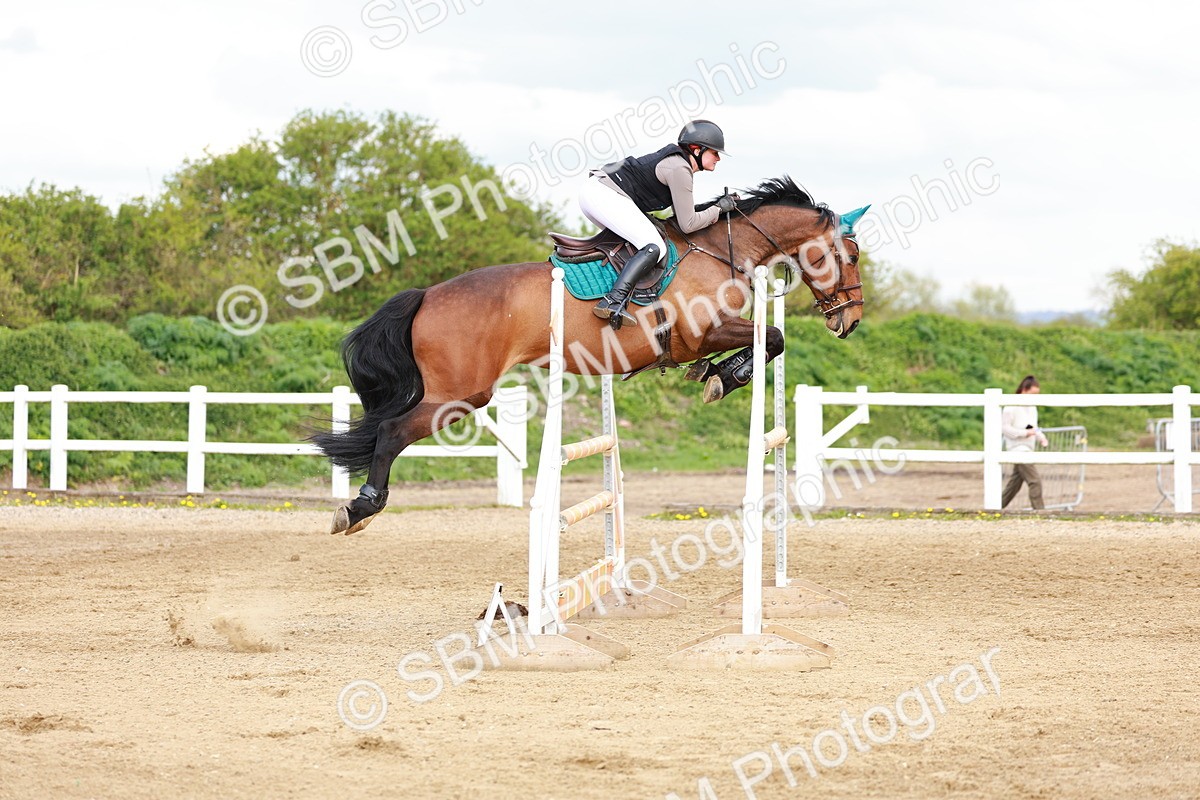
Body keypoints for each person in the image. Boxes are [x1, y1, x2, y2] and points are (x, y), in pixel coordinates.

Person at [578, 119, 735, 330]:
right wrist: (719, 209)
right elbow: (688, 224)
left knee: (643, 240)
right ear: (697, 149)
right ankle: (613, 301)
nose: (718, 158)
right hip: (603, 195)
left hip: (599, 193)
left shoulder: (679, 164)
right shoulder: (680, 169)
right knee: (655, 246)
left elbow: (681, 216)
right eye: (715, 153)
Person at [1001, 375, 1050, 510]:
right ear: (1024, 390)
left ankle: (996, 507)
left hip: (1027, 448)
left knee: (1014, 484)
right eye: (1033, 394)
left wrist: (1041, 437)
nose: (1035, 398)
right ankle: (1040, 511)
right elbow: (1005, 428)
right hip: (1017, 449)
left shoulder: (1032, 407)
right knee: (1035, 481)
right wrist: (1024, 434)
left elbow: (1032, 427)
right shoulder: (1011, 407)